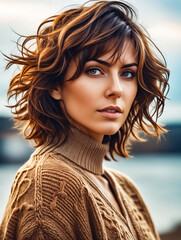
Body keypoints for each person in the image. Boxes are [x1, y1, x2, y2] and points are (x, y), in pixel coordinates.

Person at [0, 1, 169, 239]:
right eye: (95, 70)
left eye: (127, 73)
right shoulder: (48, 186)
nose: (116, 89)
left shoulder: (125, 188)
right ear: (55, 84)